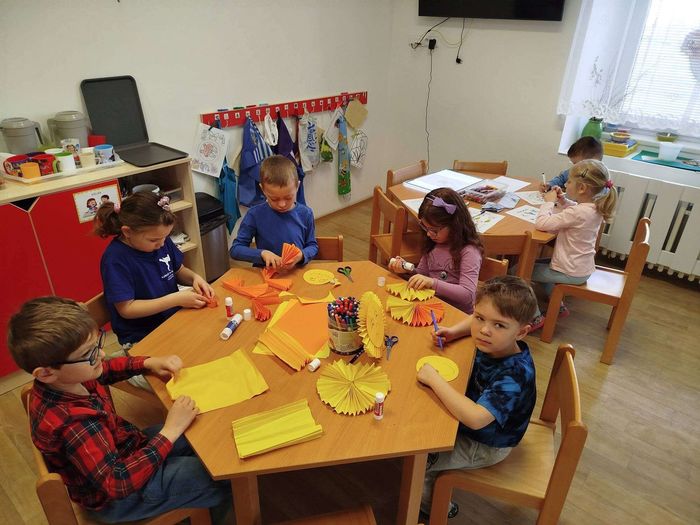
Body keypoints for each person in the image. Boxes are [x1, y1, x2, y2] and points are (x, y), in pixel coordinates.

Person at [7, 296, 228, 523]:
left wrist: (147, 362)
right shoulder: (74, 424)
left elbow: (105, 369)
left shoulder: (67, 379)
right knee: (217, 474)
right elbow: (117, 482)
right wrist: (170, 431)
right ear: (46, 373)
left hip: (125, 450)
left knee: (203, 436)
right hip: (122, 498)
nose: (101, 355)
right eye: (88, 354)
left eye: (97, 344)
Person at [418, 275, 538, 519]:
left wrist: (434, 379)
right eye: (480, 318)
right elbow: (476, 318)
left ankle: (432, 508)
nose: (483, 330)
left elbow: (475, 418)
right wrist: (454, 331)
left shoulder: (515, 374)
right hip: (477, 422)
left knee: (421, 462)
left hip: (487, 444)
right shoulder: (494, 342)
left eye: (499, 325)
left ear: (522, 332)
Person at [95, 192, 213, 386]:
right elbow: (127, 309)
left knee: (207, 351)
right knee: (186, 381)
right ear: (127, 232)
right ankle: (127, 368)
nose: (161, 244)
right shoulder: (115, 259)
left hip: (171, 322)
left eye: (165, 237)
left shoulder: (160, 240)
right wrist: (177, 299)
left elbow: (178, 270)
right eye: (154, 240)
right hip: (141, 338)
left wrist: (195, 278)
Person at [529, 159, 618, 330]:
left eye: (569, 182)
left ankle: (535, 317)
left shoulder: (577, 212)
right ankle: (558, 307)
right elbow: (577, 210)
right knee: (535, 265)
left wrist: (548, 202)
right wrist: (562, 200)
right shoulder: (594, 207)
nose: (565, 184)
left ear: (582, 188)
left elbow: (542, 223)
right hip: (580, 267)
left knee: (519, 271)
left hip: (569, 270)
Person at [388, 187, 482, 314]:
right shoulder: (433, 243)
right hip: (432, 305)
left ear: (455, 224)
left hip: (457, 313)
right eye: (425, 228)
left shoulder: (469, 251)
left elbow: (468, 295)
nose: (429, 234)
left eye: (434, 230)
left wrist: (433, 283)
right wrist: (407, 270)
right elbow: (423, 273)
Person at [230, 154, 318, 270]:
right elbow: (235, 249)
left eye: (288, 197)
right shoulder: (254, 214)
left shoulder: (306, 214)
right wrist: (262, 254)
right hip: (266, 274)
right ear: (263, 189)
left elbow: (312, 246)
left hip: (296, 273)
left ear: (297, 187)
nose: (282, 204)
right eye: (274, 199)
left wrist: (302, 255)